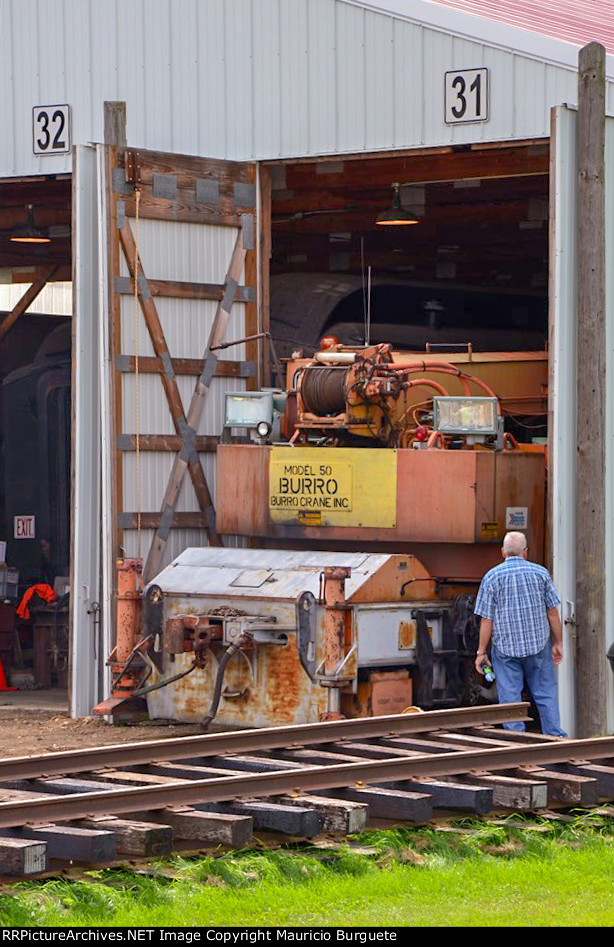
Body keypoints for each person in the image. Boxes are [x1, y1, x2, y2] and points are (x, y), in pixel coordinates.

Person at [474, 530, 567, 737]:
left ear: (503, 552)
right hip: (538, 646)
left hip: (505, 650)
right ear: (525, 552)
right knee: (545, 694)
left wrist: (481, 652)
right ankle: (555, 738)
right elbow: (552, 613)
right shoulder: (540, 573)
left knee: (510, 698)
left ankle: (516, 741)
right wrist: (558, 642)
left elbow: (486, 620)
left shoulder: (491, 577)